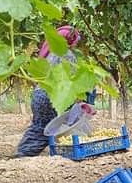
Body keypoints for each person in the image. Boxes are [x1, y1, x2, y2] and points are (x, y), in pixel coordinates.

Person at [15, 26, 85, 157]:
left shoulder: (49, 52)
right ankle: (25, 155)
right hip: (51, 97)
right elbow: (70, 82)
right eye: (75, 40)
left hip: (39, 95)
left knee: (39, 126)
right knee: (53, 128)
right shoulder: (67, 55)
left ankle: (22, 152)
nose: (76, 44)